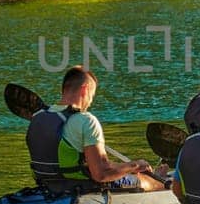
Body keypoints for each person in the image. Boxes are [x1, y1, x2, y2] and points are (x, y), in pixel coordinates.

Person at [26, 66, 166, 194]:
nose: (90, 101)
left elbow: (97, 165)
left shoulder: (38, 116)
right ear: (85, 89)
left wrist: (129, 168)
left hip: (48, 187)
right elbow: (101, 174)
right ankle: (159, 180)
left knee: (128, 173)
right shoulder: (85, 120)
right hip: (82, 186)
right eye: (92, 96)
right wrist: (136, 165)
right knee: (149, 183)